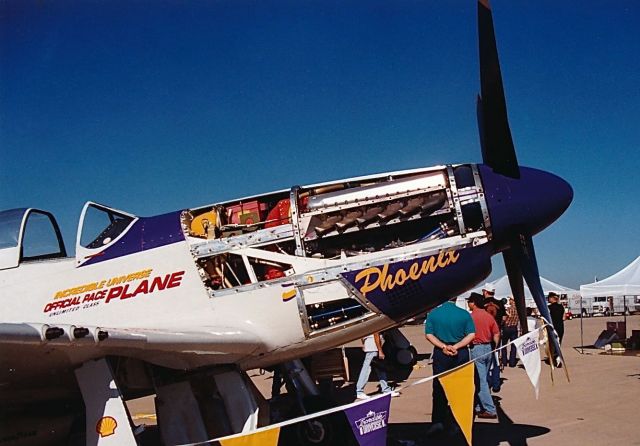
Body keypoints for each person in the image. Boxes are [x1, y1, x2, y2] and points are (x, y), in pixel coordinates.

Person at [425, 298, 475, 436]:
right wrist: (457, 346)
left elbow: (429, 335)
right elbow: (471, 334)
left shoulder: (434, 314)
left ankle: (438, 422)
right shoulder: (464, 314)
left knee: (439, 387)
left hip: (441, 353)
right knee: (460, 389)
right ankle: (458, 422)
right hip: (461, 352)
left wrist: (443, 346)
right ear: (456, 298)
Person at [467, 293, 500, 419]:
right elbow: (496, 334)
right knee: (483, 378)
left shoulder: (470, 317)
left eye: (469, 302)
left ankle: (490, 409)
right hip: (488, 348)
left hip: (477, 348)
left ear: (473, 303)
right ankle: (479, 406)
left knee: (481, 381)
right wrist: (495, 348)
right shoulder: (488, 316)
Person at [355, 332, 400, 399]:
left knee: (380, 368)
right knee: (366, 370)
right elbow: (376, 333)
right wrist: (380, 350)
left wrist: (363, 343)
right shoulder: (376, 324)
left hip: (370, 344)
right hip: (373, 346)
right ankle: (359, 391)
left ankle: (386, 389)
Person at [482, 283, 504, 392]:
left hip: (484, 334)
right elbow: (504, 318)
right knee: (495, 358)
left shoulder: (481, 303)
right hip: (497, 333)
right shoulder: (500, 303)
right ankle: (496, 383)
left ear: (485, 291)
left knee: (483, 360)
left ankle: (487, 382)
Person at [501, 296, 519, 368]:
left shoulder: (508, 309)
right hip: (514, 328)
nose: (509, 301)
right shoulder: (518, 310)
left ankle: (504, 361)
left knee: (504, 345)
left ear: (512, 300)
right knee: (513, 346)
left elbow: (504, 319)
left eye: (510, 299)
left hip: (507, 328)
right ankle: (512, 362)